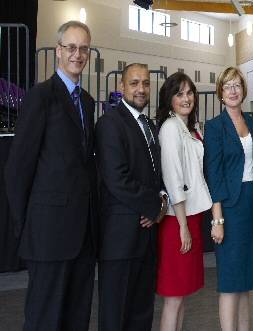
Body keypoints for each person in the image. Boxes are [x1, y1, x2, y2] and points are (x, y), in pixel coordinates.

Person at [4, 21, 98, 331]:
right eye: (71, 47)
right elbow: (18, 168)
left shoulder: (86, 101)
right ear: (58, 51)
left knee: (76, 317)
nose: (77, 54)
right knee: (44, 319)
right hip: (47, 235)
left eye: (83, 48)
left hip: (81, 236)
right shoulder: (40, 97)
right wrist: (25, 226)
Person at [95, 63, 169, 331]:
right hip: (120, 240)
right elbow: (117, 179)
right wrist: (154, 207)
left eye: (146, 83)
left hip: (147, 238)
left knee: (141, 314)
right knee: (116, 316)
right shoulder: (109, 124)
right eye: (135, 83)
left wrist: (161, 198)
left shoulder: (148, 124)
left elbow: (156, 172)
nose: (141, 89)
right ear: (121, 87)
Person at [204, 67, 253, 331]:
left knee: (246, 282)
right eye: (227, 86)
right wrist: (217, 219)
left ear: (243, 90)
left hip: (252, 206)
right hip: (229, 207)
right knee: (230, 282)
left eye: (237, 85)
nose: (233, 90)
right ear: (220, 92)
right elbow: (213, 174)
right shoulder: (215, 127)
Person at [156, 72, 213, 331]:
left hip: (191, 216)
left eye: (189, 92)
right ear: (169, 99)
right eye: (179, 93)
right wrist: (182, 226)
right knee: (173, 298)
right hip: (177, 221)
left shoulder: (191, 127)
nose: (186, 98)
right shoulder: (170, 129)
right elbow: (173, 178)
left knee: (182, 296)